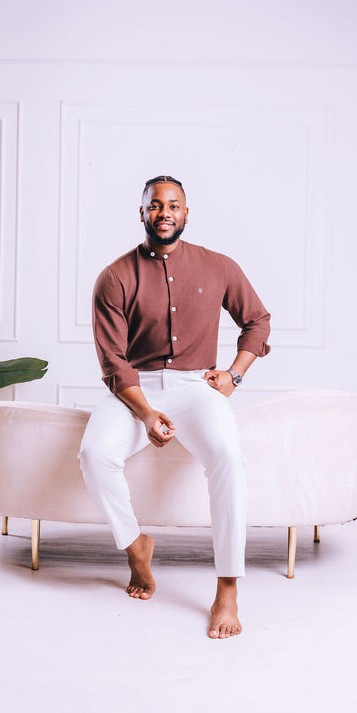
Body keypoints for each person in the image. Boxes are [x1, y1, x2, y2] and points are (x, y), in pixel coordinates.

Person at [78, 175, 271, 639]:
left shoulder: (219, 266)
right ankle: (136, 547)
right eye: (155, 205)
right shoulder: (114, 277)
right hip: (134, 390)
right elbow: (112, 360)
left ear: (185, 213)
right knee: (94, 454)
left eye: (173, 205)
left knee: (228, 458)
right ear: (142, 212)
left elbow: (257, 322)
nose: (164, 212)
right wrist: (146, 412)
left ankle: (227, 590)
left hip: (196, 387)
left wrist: (234, 374)